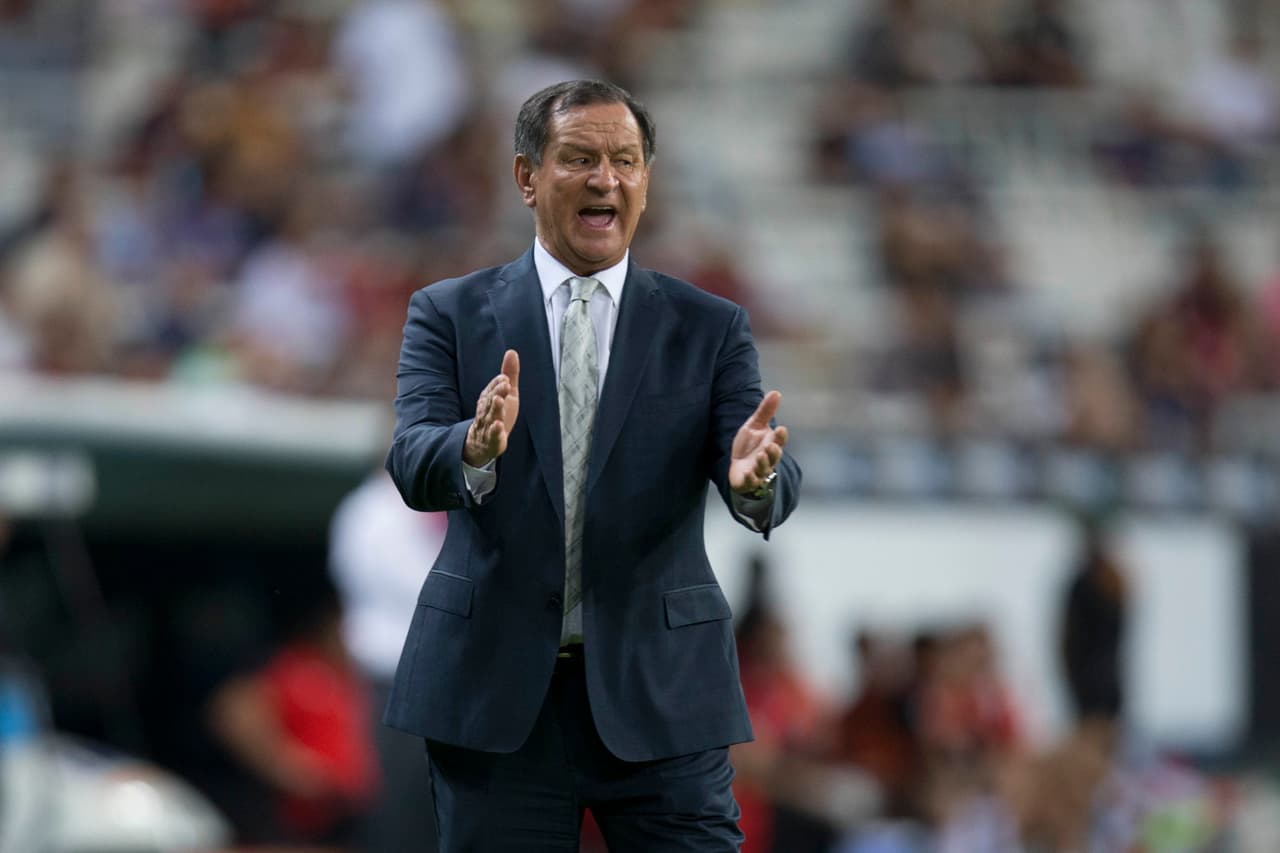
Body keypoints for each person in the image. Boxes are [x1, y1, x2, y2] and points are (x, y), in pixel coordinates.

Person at [383, 79, 801, 851]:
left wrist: (755, 479)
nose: (605, 178)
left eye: (625, 160)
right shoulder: (446, 312)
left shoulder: (710, 328)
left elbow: (762, 467)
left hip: (662, 696)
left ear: (646, 178)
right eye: (579, 158)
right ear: (527, 177)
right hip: (497, 699)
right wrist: (471, 449)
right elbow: (411, 458)